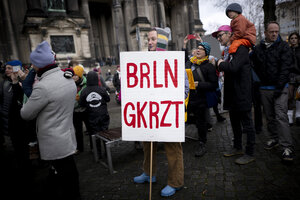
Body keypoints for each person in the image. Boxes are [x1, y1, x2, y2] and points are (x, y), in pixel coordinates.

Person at [20, 41, 80, 199]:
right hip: (67, 134)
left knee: (65, 178)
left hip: (54, 140)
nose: (32, 67)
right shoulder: (66, 77)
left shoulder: (43, 87)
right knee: (69, 173)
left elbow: (26, 114)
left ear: (39, 65)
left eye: (34, 64)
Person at [133, 27, 186, 197]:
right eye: (148, 39)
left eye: (154, 39)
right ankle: (149, 173)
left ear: (162, 40)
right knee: (147, 144)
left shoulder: (173, 61)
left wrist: (167, 98)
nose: (149, 42)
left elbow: (184, 89)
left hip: (168, 112)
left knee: (172, 148)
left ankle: (176, 182)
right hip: (149, 112)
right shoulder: (143, 62)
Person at [212, 25, 256, 165]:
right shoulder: (228, 51)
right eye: (217, 37)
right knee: (235, 122)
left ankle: (250, 153)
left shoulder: (241, 48)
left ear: (229, 34)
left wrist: (219, 63)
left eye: (220, 35)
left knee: (247, 124)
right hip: (232, 93)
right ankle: (237, 147)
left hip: (242, 93)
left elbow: (233, 67)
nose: (219, 39)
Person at [251, 21, 294, 161]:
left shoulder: (284, 47)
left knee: (281, 116)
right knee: (269, 116)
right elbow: (253, 65)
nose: (274, 34)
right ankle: (274, 138)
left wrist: (279, 87)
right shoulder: (259, 49)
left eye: (276, 31)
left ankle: (286, 147)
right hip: (264, 89)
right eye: (271, 31)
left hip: (280, 89)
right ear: (265, 33)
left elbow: (285, 68)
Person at [185, 42, 218, 157]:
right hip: (188, 98)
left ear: (206, 53)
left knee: (201, 122)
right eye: (197, 48)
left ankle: (202, 143)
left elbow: (214, 85)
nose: (198, 50)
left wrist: (199, 84)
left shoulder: (209, 67)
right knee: (187, 119)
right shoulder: (189, 63)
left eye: (201, 49)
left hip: (201, 99)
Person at [79, 70, 110, 150]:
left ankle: (98, 153)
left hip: (91, 116)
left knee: (95, 135)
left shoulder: (84, 91)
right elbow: (108, 99)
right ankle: (107, 152)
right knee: (105, 133)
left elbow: (81, 104)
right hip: (103, 115)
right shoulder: (102, 89)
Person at [73, 65, 87, 153]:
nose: (73, 76)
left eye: (75, 75)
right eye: (73, 75)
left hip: (85, 110)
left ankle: (93, 147)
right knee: (78, 131)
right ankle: (79, 148)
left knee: (89, 128)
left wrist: (80, 99)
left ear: (80, 75)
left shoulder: (86, 83)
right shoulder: (69, 84)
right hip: (75, 111)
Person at [287, 32, 300, 126]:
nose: (294, 40)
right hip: (290, 75)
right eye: (292, 38)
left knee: (299, 96)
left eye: (295, 38)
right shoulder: (288, 50)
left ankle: (298, 116)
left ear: (298, 39)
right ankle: (290, 117)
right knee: (290, 96)